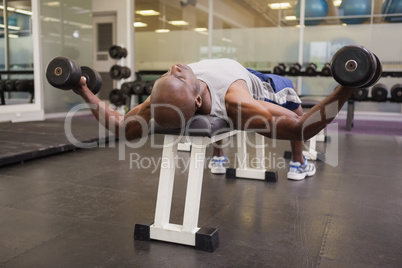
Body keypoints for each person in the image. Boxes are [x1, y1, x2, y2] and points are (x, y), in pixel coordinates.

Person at [75, 58, 357, 180]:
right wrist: (348, 86)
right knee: (293, 103)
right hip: (256, 81)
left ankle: (218, 156)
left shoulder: (160, 96)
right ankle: (299, 163)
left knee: (218, 113)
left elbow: (119, 126)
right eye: (177, 75)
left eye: (170, 74)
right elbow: (301, 127)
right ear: (196, 100)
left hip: (231, 74)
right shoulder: (237, 102)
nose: (174, 68)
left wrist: (83, 89)